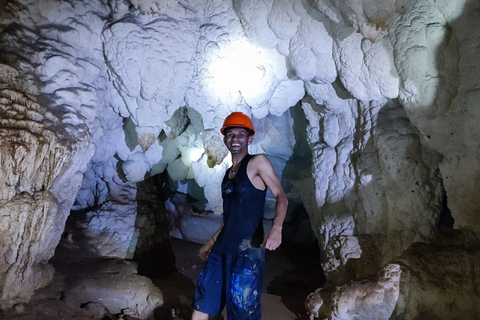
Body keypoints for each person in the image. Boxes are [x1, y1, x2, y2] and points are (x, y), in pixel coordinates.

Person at [192, 112, 288, 320]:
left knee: (242, 309)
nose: (235, 138)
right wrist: (210, 244)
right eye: (230, 134)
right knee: (203, 301)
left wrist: (277, 228)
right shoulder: (228, 175)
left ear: (250, 139)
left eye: (240, 134)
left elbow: (281, 195)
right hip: (221, 250)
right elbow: (230, 218)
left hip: (247, 251)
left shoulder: (257, 163)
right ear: (225, 138)